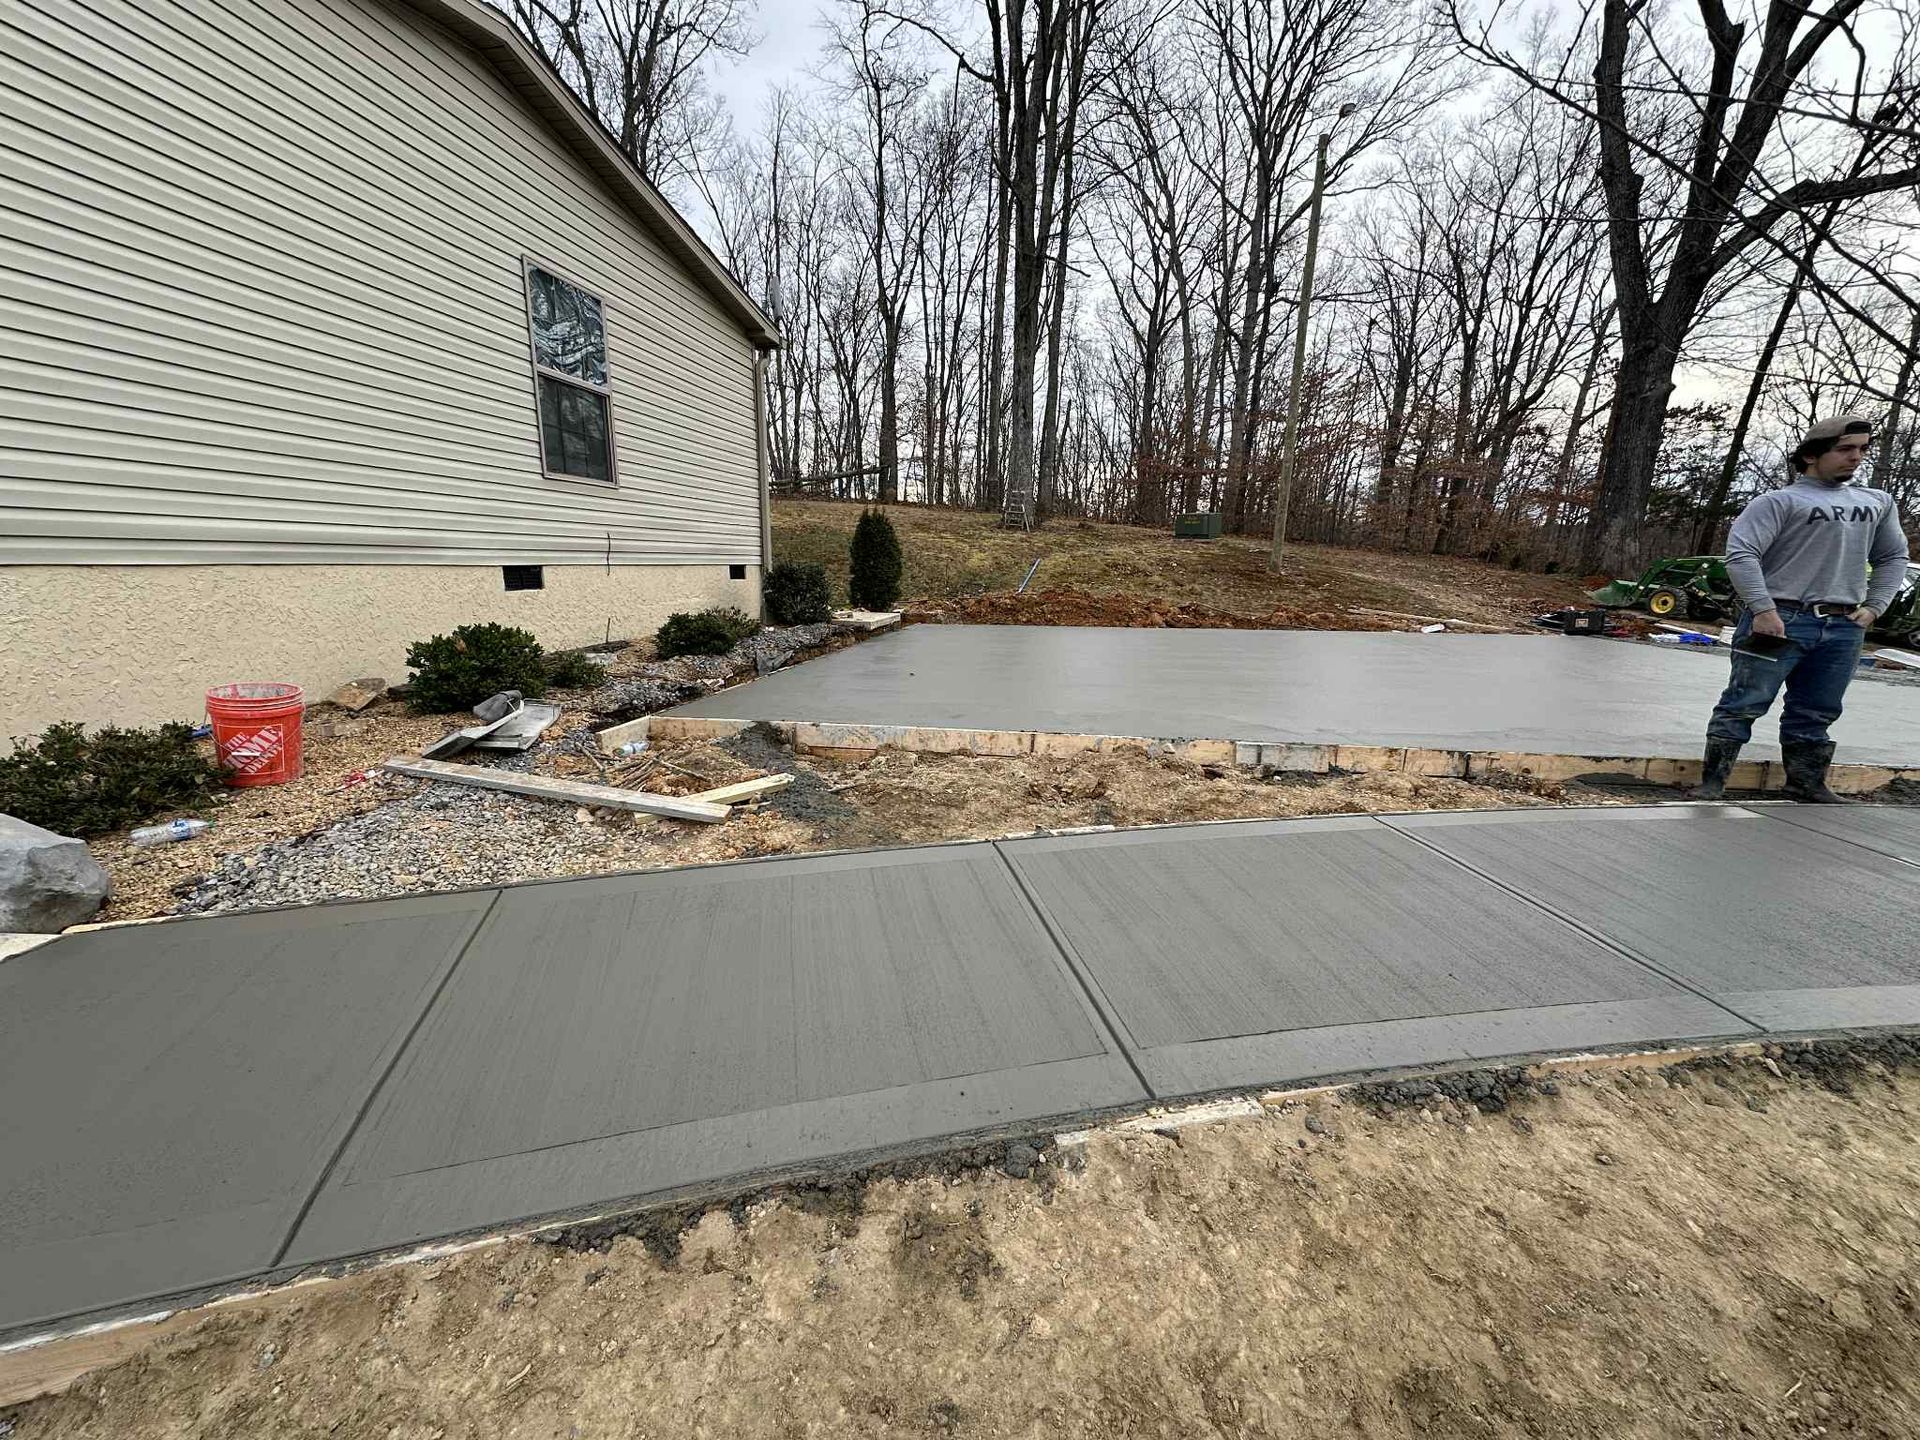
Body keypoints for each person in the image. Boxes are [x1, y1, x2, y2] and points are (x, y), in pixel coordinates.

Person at [1694, 415, 1909, 803]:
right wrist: (1762, 609)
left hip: (1844, 625)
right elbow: (1742, 555)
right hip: (1780, 619)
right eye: (1845, 449)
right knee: (1744, 702)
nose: (1856, 457)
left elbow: (1893, 556)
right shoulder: (1778, 502)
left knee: (1818, 709)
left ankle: (1806, 783)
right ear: (1812, 455)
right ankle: (1711, 785)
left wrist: (1876, 605)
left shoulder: (1876, 502)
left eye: (1862, 449)